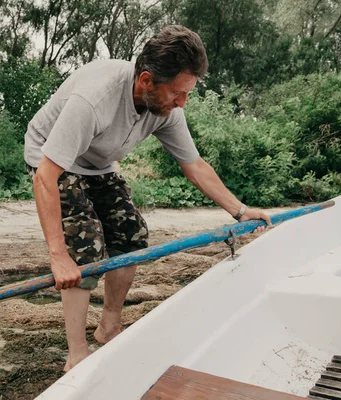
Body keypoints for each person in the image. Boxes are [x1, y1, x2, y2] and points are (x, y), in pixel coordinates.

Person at [23, 25, 271, 372]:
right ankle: (76, 353)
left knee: (132, 235)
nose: (182, 102)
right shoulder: (94, 99)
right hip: (50, 156)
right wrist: (59, 257)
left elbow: (195, 166)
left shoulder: (165, 108)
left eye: (188, 93)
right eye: (177, 93)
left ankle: (109, 328)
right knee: (86, 243)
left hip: (97, 161)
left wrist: (241, 211)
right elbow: (45, 178)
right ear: (145, 81)